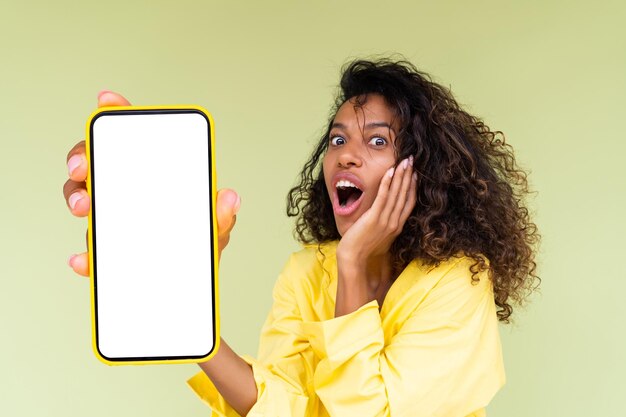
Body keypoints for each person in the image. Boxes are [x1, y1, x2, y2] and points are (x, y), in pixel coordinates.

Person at [63, 58, 539, 417]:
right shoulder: (307, 271)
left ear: (423, 172)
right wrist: (187, 314)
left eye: (377, 141)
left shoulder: (458, 280)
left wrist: (352, 265)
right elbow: (283, 405)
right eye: (337, 140)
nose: (346, 156)